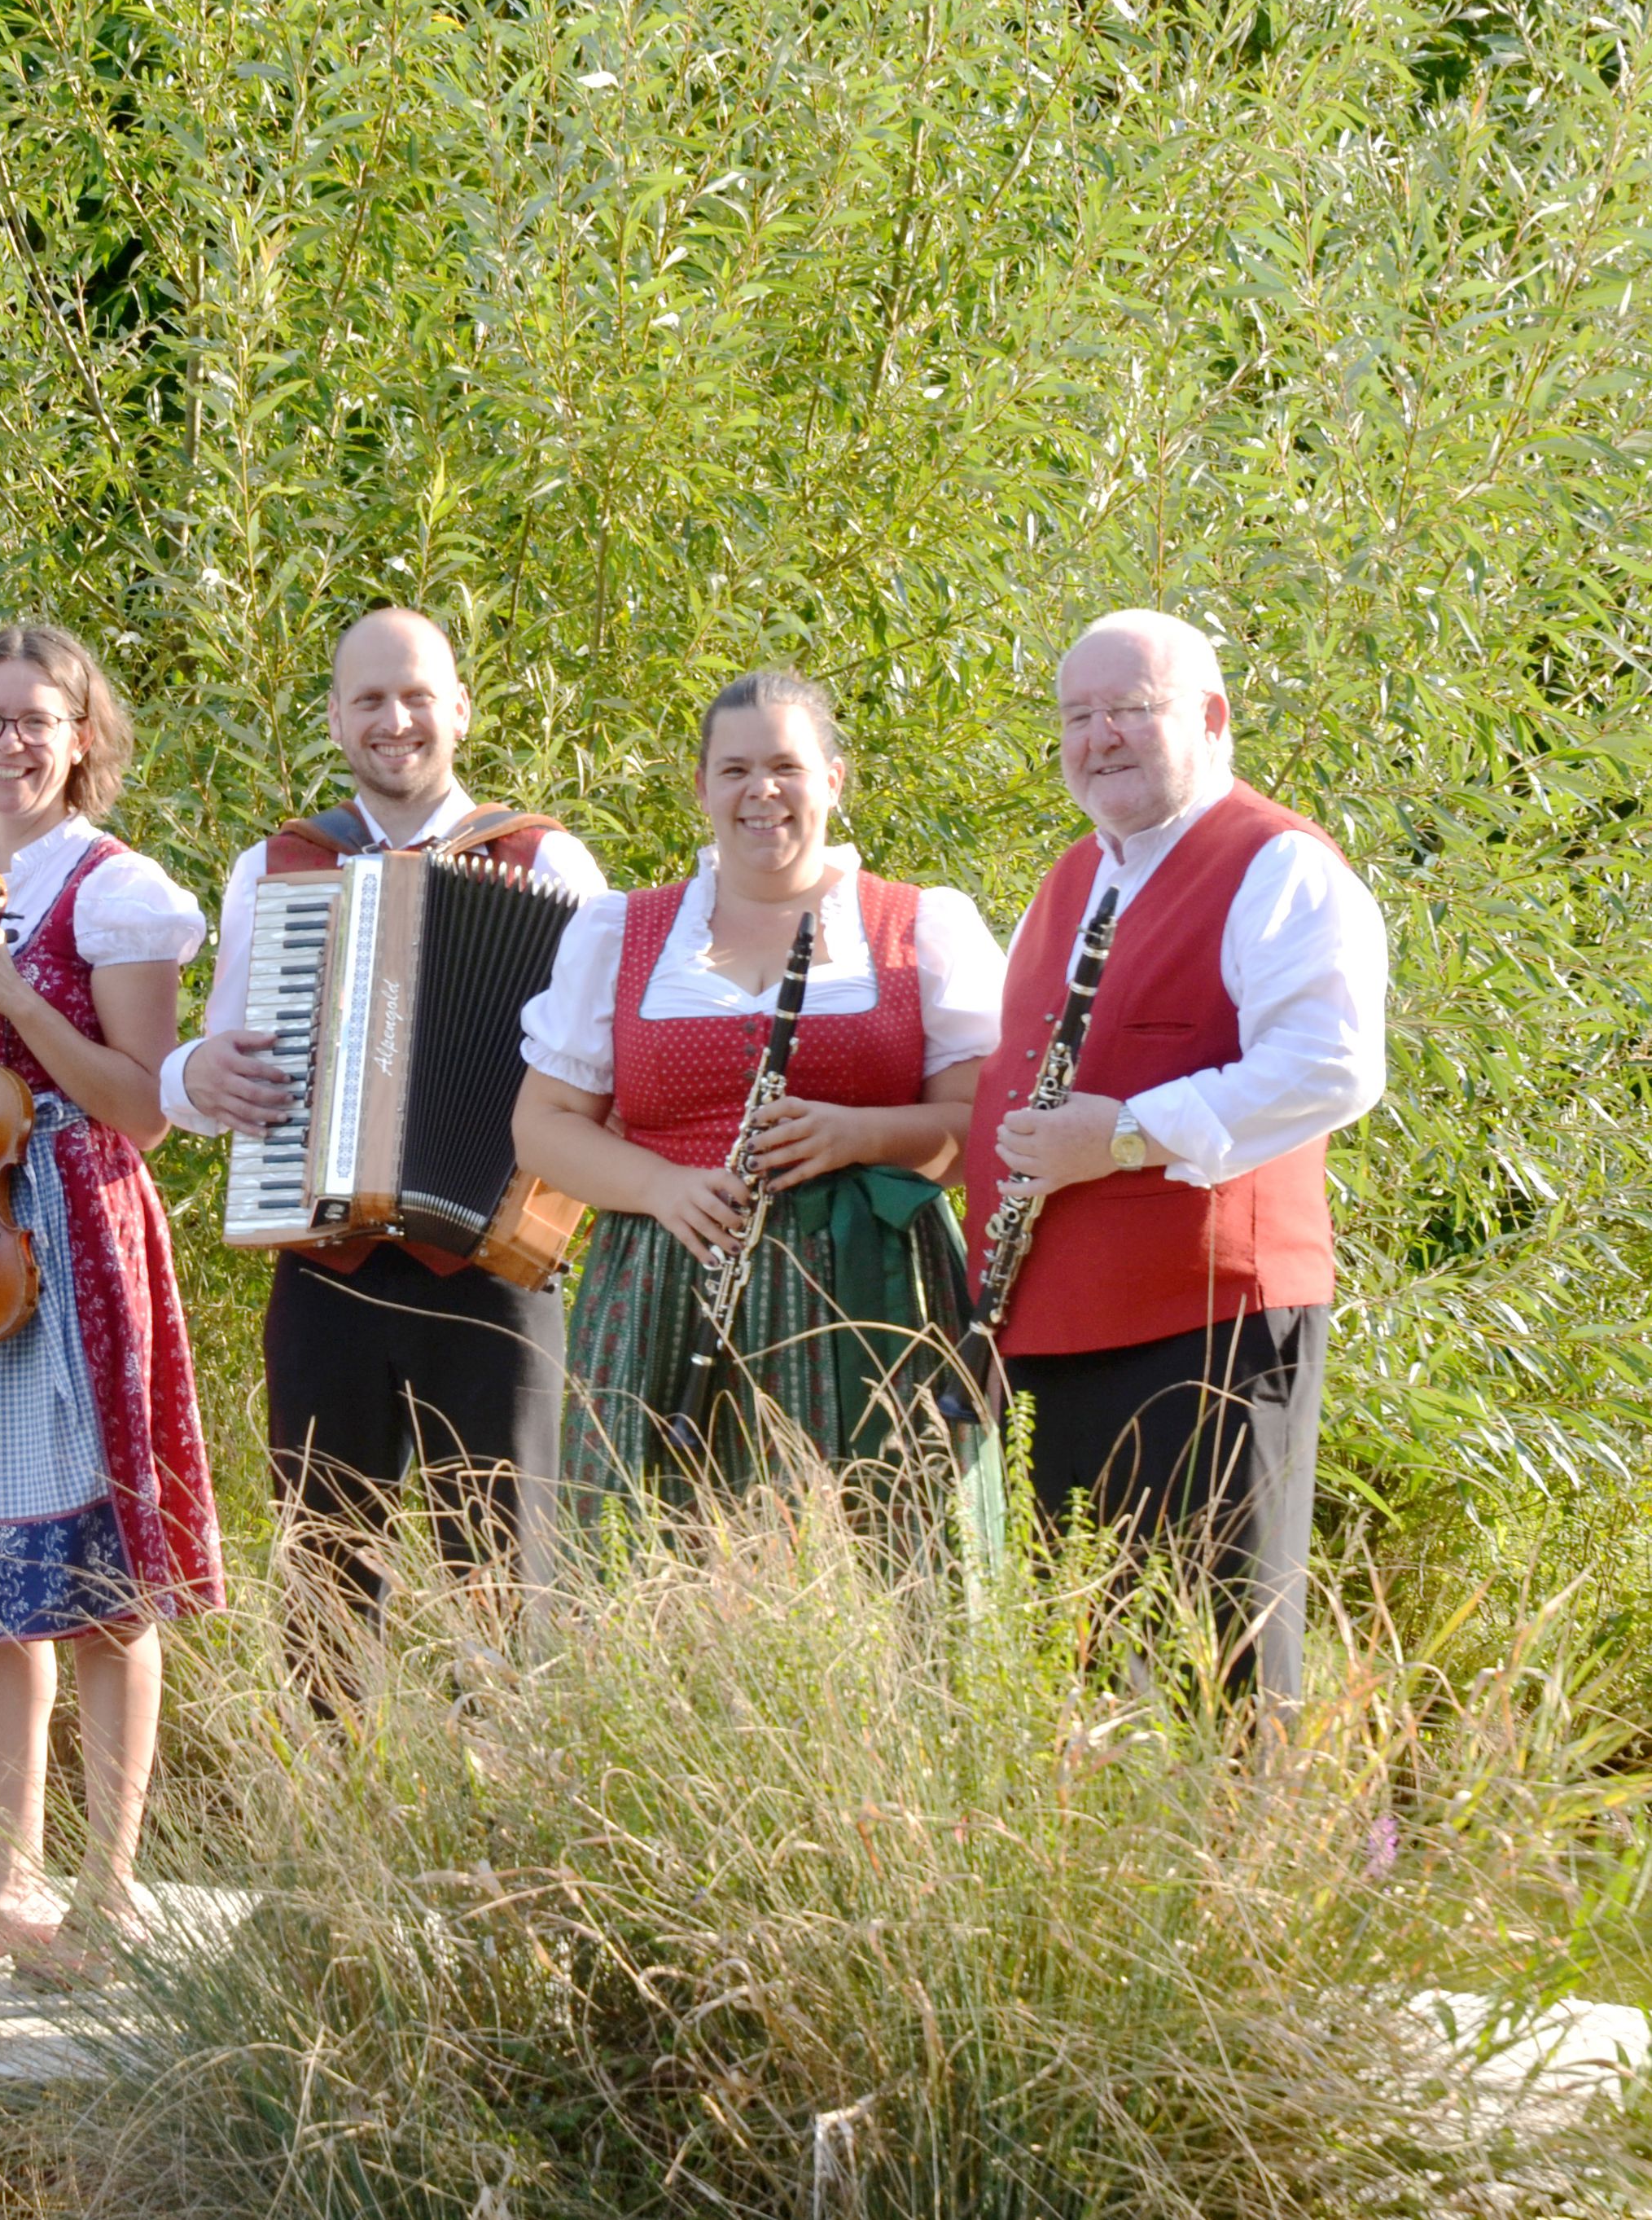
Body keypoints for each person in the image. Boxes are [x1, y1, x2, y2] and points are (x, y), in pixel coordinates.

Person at [0, 623, 221, 1987]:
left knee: (103, 1582)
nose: (8, 741)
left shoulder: (119, 893)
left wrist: (15, 995)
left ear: (82, 738)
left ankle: (111, 1901)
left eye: (36, 719)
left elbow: (145, 1106)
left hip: (73, 1226)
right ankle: (7, 1887)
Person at [964, 611, 1387, 1704]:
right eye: (1077, 715)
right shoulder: (1068, 881)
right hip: (1053, 1331)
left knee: (1224, 1665)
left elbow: (1332, 1065)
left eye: (1129, 709)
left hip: (1210, 1324)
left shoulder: (1278, 863)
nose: (1098, 736)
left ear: (1210, 717)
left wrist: (1122, 1135)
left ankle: (1260, 1828)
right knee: (1085, 1677)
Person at [166, 608, 607, 1621]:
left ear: (460, 710)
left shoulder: (547, 862)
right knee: (321, 1578)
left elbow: (610, 1063)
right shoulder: (278, 866)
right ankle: (330, 1737)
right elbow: (211, 1067)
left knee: (507, 1577)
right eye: (369, 699)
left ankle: (508, 1734)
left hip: (495, 1264)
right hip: (328, 1267)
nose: (394, 720)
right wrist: (196, 1074)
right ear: (333, 718)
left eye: (416, 697)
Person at [512, 670, 1006, 1516]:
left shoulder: (922, 927)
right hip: (664, 1291)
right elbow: (542, 1127)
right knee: (652, 1550)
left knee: (881, 1546)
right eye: (735, 770)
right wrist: (660, 1186)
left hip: (872, 1293)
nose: (761, 791)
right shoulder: (620, 930)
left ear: (833, 782)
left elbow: (979, 1132)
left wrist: (861, 1136)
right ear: (701, 787)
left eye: (786, 767)